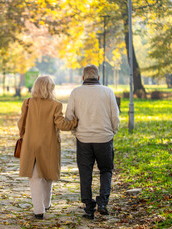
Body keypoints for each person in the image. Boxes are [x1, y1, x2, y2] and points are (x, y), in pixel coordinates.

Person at [18, 75, 78, 220]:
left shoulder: (27, 103)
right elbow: (62, 125)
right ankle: (46, 203)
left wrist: (26, 133)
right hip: (48, 145)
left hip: (30, 143)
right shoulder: (55, 105)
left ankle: (39, 210)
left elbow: (21, 124)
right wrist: (75, 120)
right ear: (51, 88)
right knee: (48, 173)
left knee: (35, 177)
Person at [65, 65, 120, 220]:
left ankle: (89, 207)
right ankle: (102, 203)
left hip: (84, 139)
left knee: (85, 172)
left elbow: (69, 116)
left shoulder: (76, 92)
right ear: (98, 78)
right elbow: (115, 116)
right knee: (106, 170)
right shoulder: (107, 91)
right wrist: (113, 131)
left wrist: (76, 132)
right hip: (104, 138)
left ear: (83, 78)